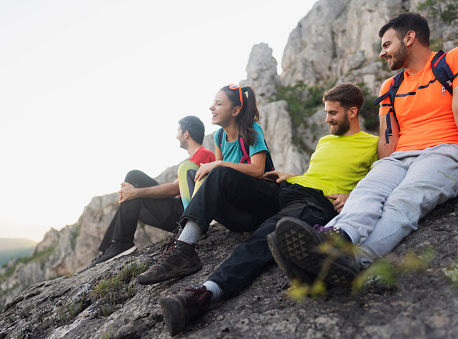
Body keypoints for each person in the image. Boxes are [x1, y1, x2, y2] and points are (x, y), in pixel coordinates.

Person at [271, 12, 458, 291]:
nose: (382, 53)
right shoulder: (390, 86)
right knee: (368, 193)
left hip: (445, 152)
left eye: (387, 45)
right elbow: (389, 140)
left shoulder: (457, 58)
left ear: (409, 38)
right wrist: (366, 184)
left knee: (404, 199)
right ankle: (333, 242)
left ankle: (350, 262)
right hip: (399, 158)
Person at [156, 83, 379, 336]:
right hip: (286, 188)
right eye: (326, 112)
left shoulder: (372, 145)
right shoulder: (325, 141)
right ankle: (184, 248)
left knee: (267, 235)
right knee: (219, 174)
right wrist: (293, 175)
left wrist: (352, 195)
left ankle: (205, 293)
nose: (327, 119)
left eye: (332, 113)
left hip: (314, 203)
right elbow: (317, 174)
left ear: (352, 112)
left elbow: (382, 182)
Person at [136, 84, 273, 285]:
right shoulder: (219, 136)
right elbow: (214, 178)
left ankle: (183, 249)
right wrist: (214, 167)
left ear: (235, 111)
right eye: (212, 103)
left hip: (259, 207)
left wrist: (219, 163)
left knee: (216, 171)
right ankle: (187, 237)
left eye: (218, 104)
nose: (211, 107)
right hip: (237, 216)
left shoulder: (251, 129)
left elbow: (258, 170)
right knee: (192, 170)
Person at [83, 116, 215, 270]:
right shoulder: (194, 157)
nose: (176, 135)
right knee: (132, 205)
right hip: (178, 214)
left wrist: (136, 192)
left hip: (185, 214)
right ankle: (112, 248)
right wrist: (132, 194)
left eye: (178, 131)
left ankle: (121, 244)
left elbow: (174, 189)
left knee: (134, 176)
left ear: (186, 134)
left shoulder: (203, 154)